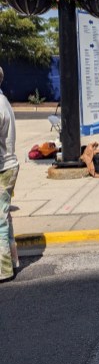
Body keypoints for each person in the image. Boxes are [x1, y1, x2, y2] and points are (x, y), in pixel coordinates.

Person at [0, 67, 19, 282]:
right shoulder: (3, 101)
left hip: (3, 168)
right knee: (4, 217)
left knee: (0, 221)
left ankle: (3, 270)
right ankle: (12, 262)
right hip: (8, 165)